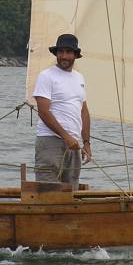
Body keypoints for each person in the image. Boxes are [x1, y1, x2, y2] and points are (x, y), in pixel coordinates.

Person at [33, 33, 91, 189]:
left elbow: (83, 111)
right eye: (61, 52)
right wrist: (66, 136)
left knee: (71, 188)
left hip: (73, 144)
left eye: (68, 52)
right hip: (50, 141)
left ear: (75, 55)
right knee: (48, 189)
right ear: (56, 53)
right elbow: (43, 112)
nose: (64, 56)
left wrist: (86, 143)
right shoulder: (46, 76)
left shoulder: (79, 78)